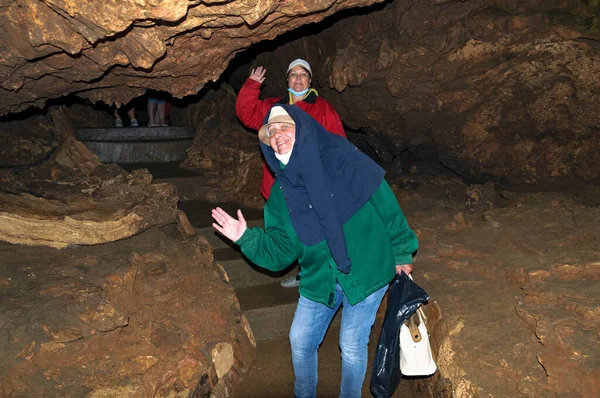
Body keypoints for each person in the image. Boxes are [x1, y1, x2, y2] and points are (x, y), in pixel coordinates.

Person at [212, 105, 418, 398]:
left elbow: (386, 204)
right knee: (300, 339)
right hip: (320, 275)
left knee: (350, 342)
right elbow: (280, 253)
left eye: (285, 127)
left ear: (303, 130)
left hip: (367, 266)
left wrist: (402, 252)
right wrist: (245, 237)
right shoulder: (281, 197)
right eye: (271, 132)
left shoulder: (343, 160)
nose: (277, 135)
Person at [236, 58, 347, 288]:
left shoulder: (323, 109)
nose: (298, 78)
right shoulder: (273, 108)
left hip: (313, 186)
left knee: (315, 229)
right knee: (286, 230)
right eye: (293, 74)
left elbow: (338, 144)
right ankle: (302, 270)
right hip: (280, 186)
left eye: (303, 74)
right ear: (287, 80)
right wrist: (251, 86)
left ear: (310, 79)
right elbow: (246, 114)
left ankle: (317, 273)